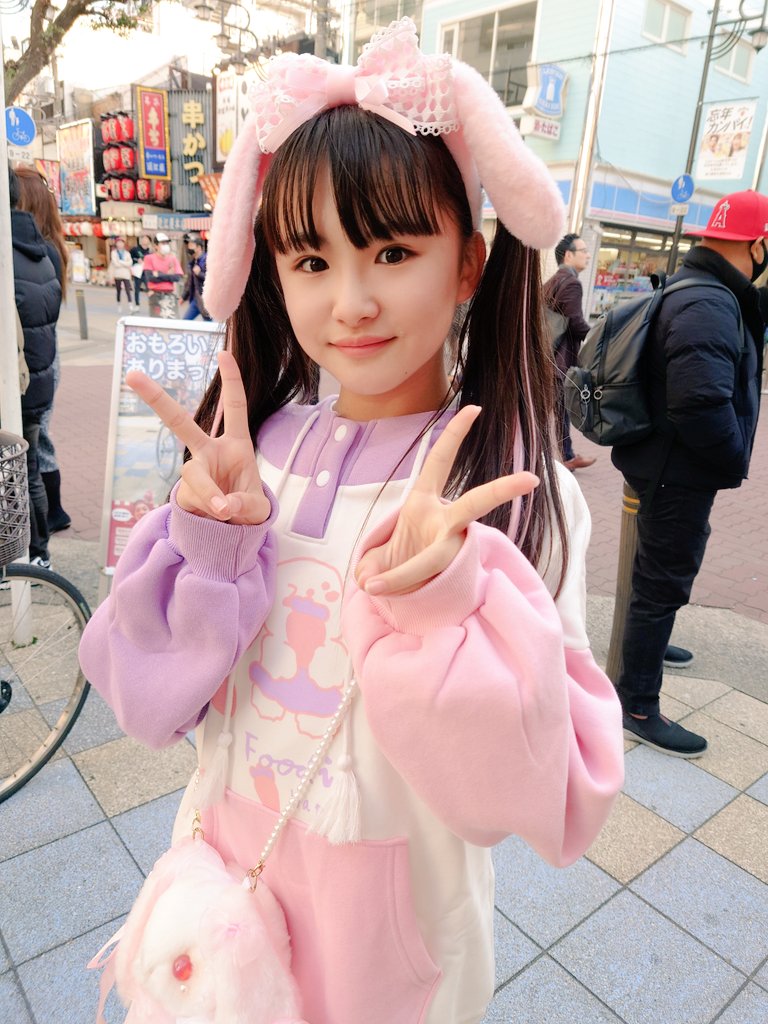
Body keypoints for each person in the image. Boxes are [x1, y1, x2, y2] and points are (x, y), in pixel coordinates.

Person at [79, 21, 623, 1023]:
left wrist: (442, 601)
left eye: (393, 250)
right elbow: (144, 701)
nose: (353, 301)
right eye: (310, 260)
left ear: (468, 264)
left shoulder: (511, 487)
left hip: (392, 953)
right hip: (223, 899)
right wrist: (208, 546)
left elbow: (555, 795)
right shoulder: (251, 456)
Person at [613, 188, 768, 758]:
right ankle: (637, 703)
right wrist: (732, 458)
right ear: (757, 245)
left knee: (660, 575)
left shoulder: (698, 287)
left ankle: (650, 648)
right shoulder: (709, 303)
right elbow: (700, 404)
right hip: (676, 470)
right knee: (663, 580)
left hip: (665, 462)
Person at [8, 164, 62, 568]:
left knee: (19, 472)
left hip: (16, 382)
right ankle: (39, 555)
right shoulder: (45, 252)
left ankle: (22, 555)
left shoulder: (8, 254)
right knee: (27, 467)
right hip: (37, 378)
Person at [14, 164, 72, 533]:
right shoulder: (51, 246)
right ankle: (54, 513)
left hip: (38, 357)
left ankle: (52, 514)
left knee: (37, 441)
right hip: (46, 354)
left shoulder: (40, 251)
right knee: (39, 437)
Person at [543, 233, 596, 470]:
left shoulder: (553, 281)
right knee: (562, 409)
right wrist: (598, 335)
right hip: (561, 360)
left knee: (558, 410)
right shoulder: (571, 283)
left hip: (549, 357)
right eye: (583, 251)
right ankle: (564, 455)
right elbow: (576, 323)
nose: (588, 255)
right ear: (568, 255)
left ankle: (564, 453)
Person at [143, 232, 183, 318]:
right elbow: (150, 277)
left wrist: (159, 274)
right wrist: (168, 275)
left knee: (173, 320)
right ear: (156, 246)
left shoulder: (173, 258)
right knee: (156, 321)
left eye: (167, 243)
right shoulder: (149, 258)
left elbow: (177, 277)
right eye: (163, 243)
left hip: (170, 294)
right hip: (155, 294)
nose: (166, 245)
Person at [181, 234, 211, 320]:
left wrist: (199, 274)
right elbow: (189, 282)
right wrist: (183, 296)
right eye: (188, 245)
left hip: (205, 299)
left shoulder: (208, 260)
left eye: (191, 245)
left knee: (209, 323)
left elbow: (213, 280)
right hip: (195, 299)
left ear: (199, 247)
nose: (189, 247)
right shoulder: (193, 262)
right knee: (185, 322)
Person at [129, 233, 152, 312]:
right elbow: (129, 258)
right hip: (138, 272)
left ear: (149, 241)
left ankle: (152, 304)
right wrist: (136, 260)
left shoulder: (150, 251)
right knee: (137, 289)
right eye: (143, 239)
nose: (144, 240)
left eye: (146, 239)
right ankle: (137, 305)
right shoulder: (135, 249)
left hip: (146, 272)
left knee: (149, 289)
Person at [110, 237, 133, 312]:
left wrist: (120, 262)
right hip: (117, 274)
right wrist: (125, 263)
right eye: (118, 242)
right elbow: (115, 263)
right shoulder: (114, 253)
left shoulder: (127, 253)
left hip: (126, 274)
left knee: (128, 290)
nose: (120, 244)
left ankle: (130, 305)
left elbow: (130, 263)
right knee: (118, 290)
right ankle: (119, 304)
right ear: (116, 244)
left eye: (121, 242)